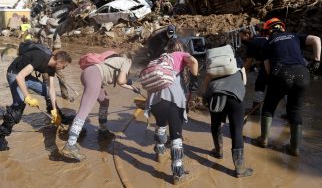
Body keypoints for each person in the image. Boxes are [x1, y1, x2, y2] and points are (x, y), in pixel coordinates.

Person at [257, 18, 321, 156]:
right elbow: (316, 39)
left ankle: (263, 140)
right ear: (282, 28)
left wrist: (274, 83)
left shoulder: (268, 43)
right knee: (295, 110)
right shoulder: (294, 36)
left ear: (268, 31)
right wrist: (316, 61)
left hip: (281, 72)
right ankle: (294, 148)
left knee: (269, 107)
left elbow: (268, 70)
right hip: (302, 73)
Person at [60, 52, 138, 161]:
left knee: (104, 100)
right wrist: (128, 80)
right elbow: (121, 81)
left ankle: (103, 130)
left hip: (89, 74)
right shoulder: (127, 61)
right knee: (84, 110)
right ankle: (70, 145)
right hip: (94, 76)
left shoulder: (115, 60)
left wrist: (132, 88)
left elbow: (119, 81)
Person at [144, 39, 198, 185]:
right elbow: (193, 61)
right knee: (176, 136)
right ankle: (178, 174)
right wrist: (195, 78)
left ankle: (159, 153)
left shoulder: (162, 59)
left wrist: (147, 105)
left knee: (161, 125)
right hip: (172, 100)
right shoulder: (180, 55)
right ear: (180, 48)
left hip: (155, 101)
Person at [0, 49, 72, 151]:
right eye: (64, 66)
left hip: (26, 76)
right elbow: (19, 77)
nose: (63, 68)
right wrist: (28, 96)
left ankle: (58, 117)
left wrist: (55, 110)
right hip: (14, 74)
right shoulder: (40, 58)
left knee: (47, 93)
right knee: (19, 105)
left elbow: (51, 90)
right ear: (59, 62)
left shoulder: (52, 67)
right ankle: (1, 135)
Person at [203, 42, 253, 178]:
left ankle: (218, 152)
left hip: (215, 93)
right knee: (236, 130)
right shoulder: (235, 57)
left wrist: (206, 95)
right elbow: (244, 77)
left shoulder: (211, 60)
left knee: (215, 123)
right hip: (235, 94)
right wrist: (239, 91)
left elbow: (207, 78)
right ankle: (240, 169)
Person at [38, 16, 71, 101]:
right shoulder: (40, 33)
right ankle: (48, 96)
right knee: (45, 78)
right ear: (47, 25)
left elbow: (57, 48)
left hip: (54, 60)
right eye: (52, 26)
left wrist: (51, 56)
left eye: (55, 26)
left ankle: (65, 95)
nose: (54, 28)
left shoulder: (55, 35)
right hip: (44, 61)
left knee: (61, 77)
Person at [240, 24, 268, 116]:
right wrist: (255, 66)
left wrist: (241, 72)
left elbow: (248, 63)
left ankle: (256, 109)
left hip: (270, 62)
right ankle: (290, 113)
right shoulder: (260, 37)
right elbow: (261, 57)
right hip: (276, 60)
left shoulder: (251, 44)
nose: (241, 40)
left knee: (260, 84)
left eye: (241, 37)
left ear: (247, 35)